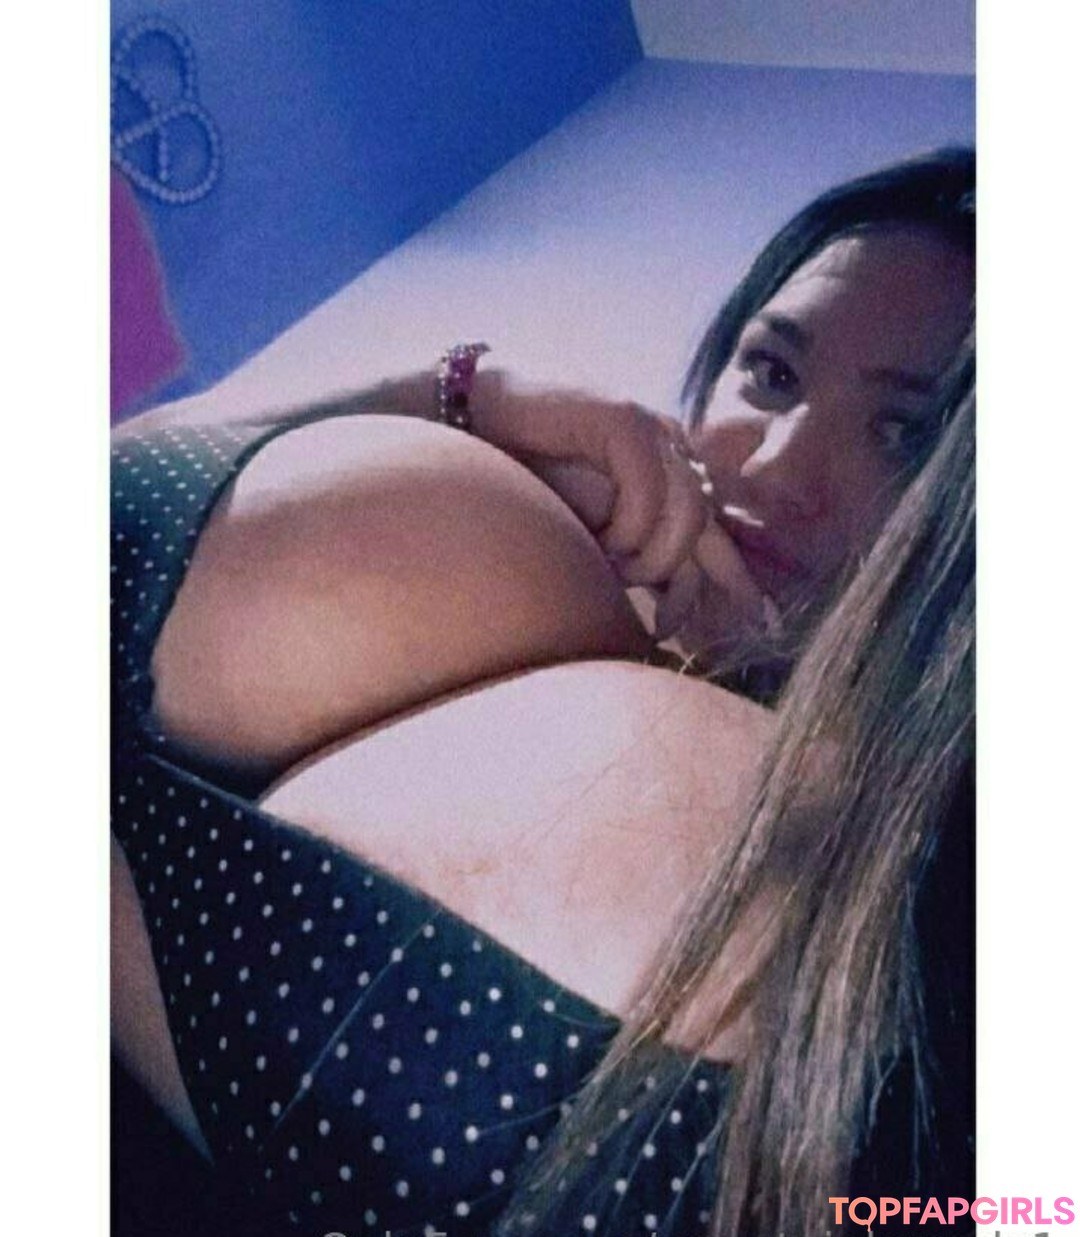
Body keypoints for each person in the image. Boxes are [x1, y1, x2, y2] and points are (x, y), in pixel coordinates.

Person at [111, 149, 975, 1236]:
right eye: (771, 373)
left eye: (905, 436)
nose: (775, 465)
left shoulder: (941, 957)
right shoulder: (532, 544)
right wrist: (459, 397)